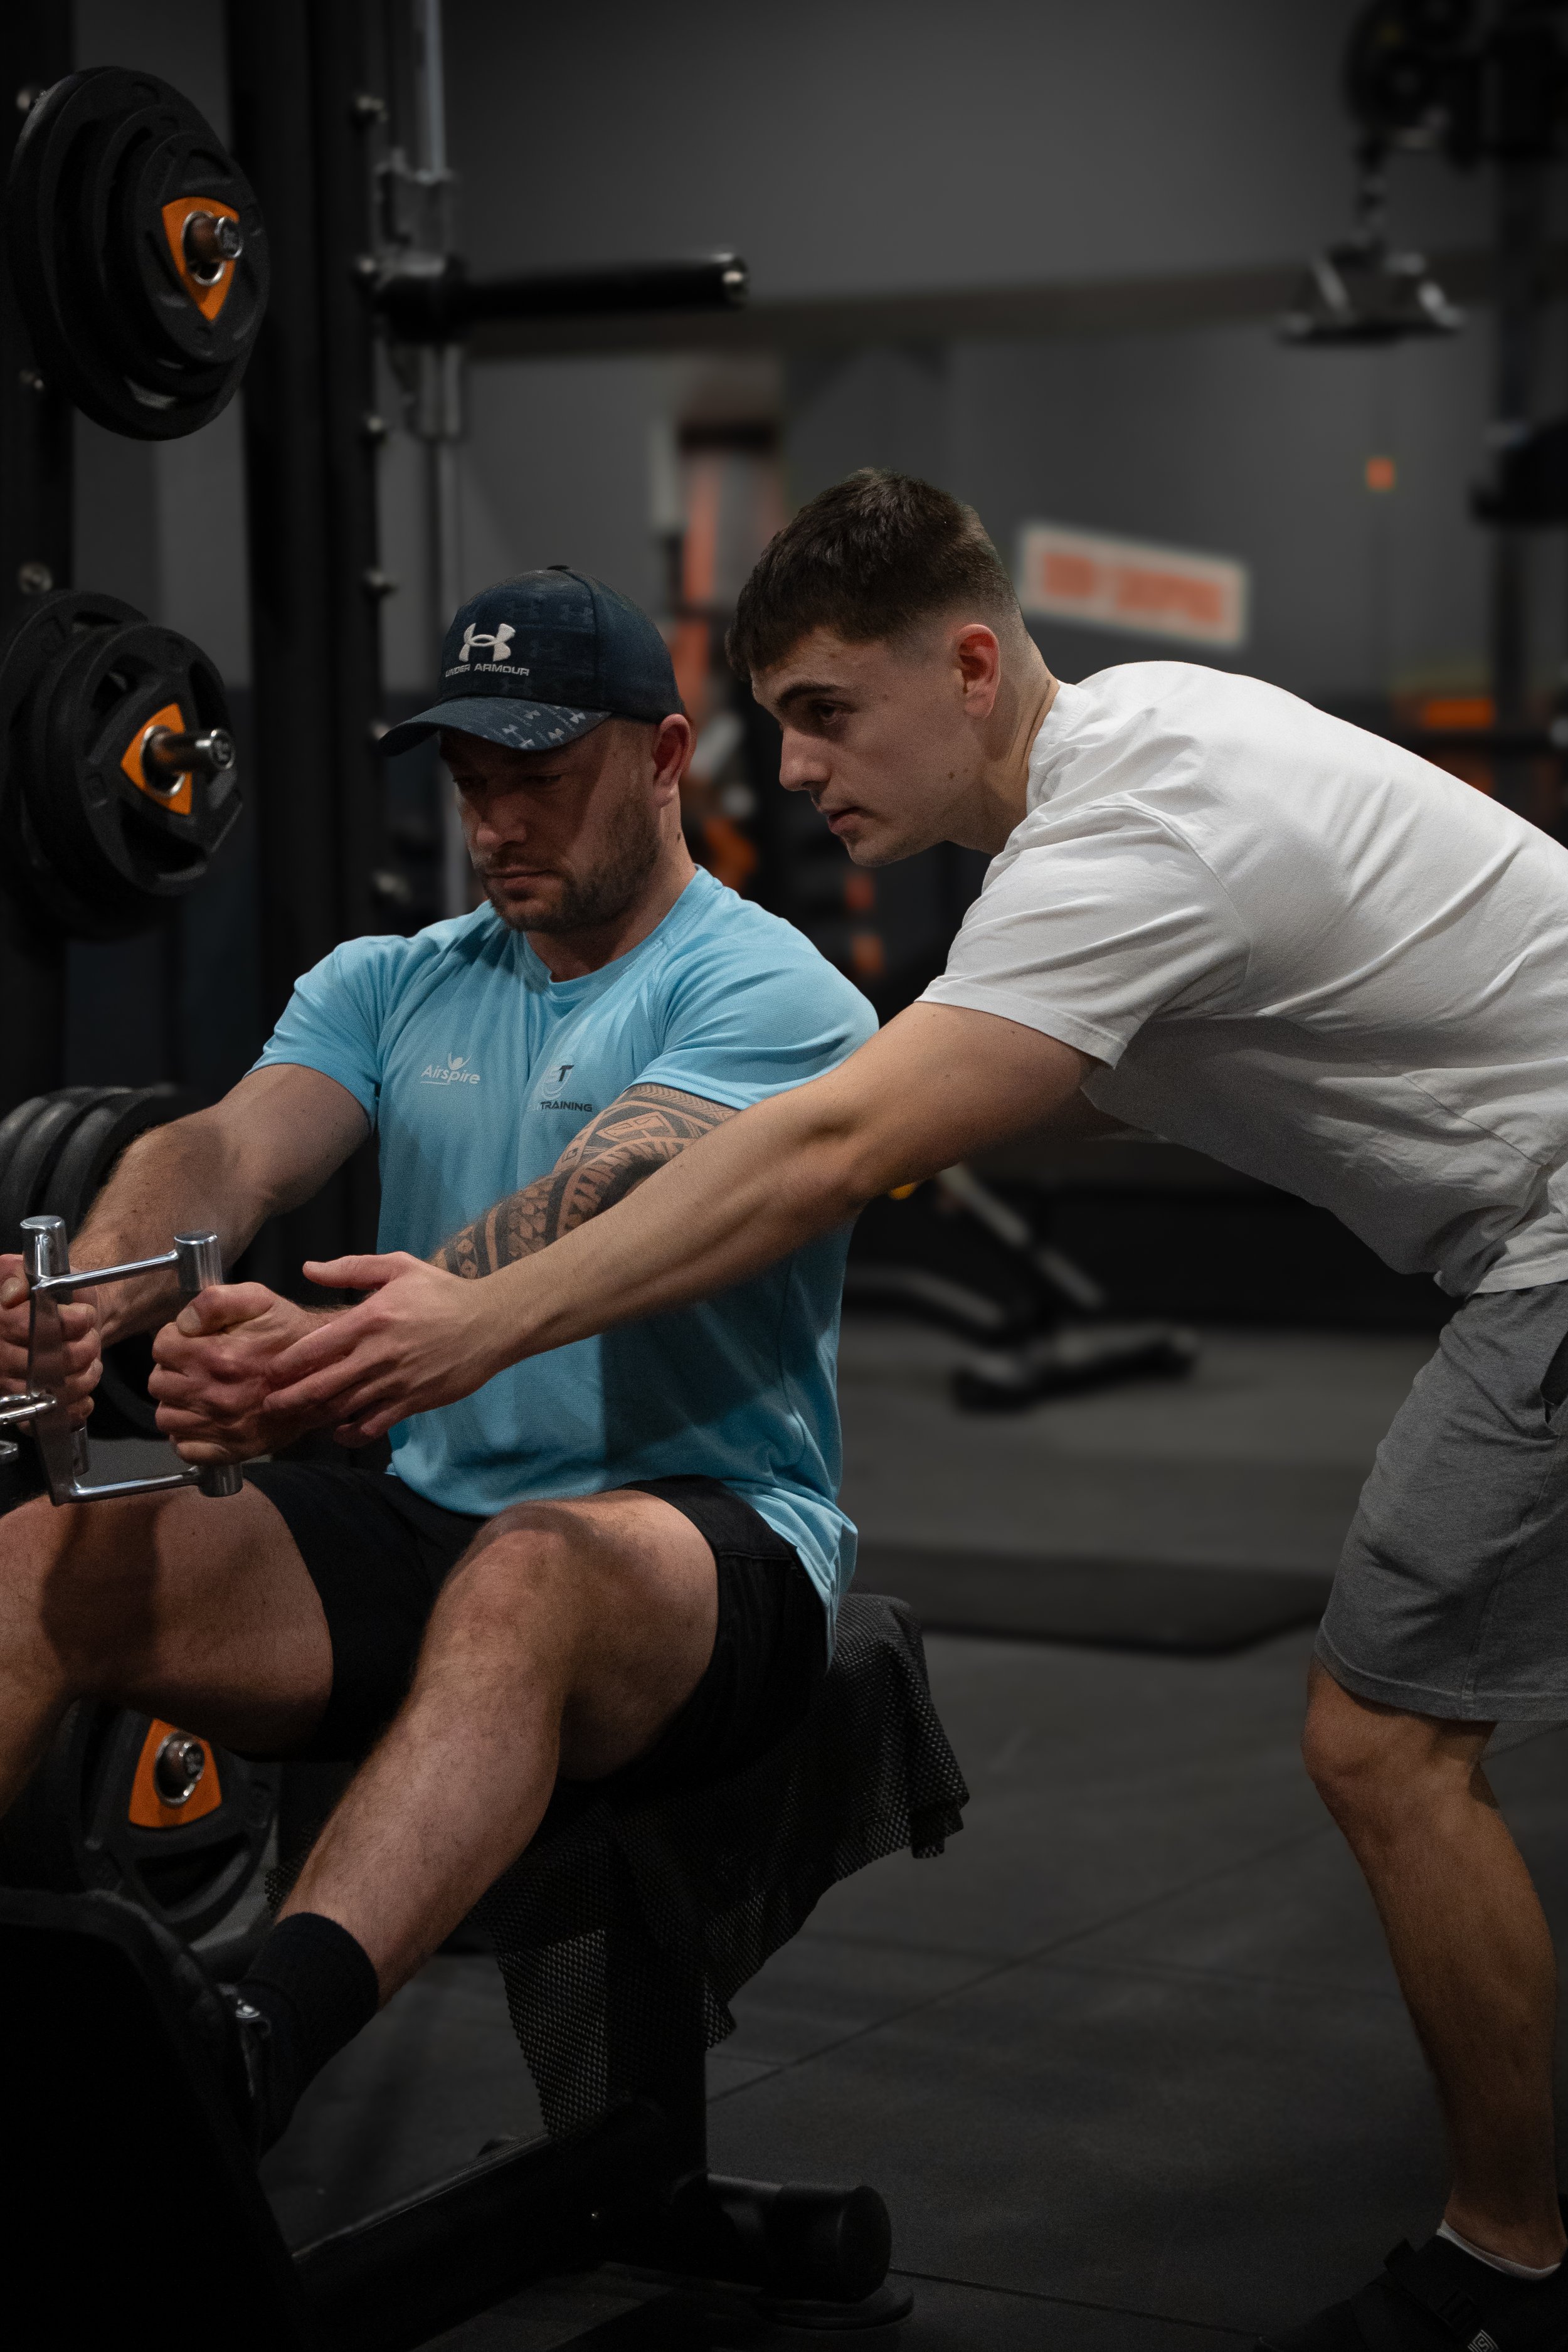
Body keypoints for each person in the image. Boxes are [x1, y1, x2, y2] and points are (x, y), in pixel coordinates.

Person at [232, 471, 1568, 2351]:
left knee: (1383, 1746)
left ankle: (1502, 2269)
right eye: (775, 718)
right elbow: (940, 1109)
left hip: (1556, 1243)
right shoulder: (1143, 771)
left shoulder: (1130, 835)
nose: (794, 768)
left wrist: (478, 1319)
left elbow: (844, 1140)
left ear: (966, 661)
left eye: (829, 712)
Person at [0, 566, 874, 2153]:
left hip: (708, 1541)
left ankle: (244, 2054)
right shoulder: (387, 981)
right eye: (473, 785)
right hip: (434, 1522)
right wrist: (102, 1300)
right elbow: (226, 1151)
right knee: (30, 1560)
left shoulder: (766, 992)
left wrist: (320, 1358)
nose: (496, 826)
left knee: (528, 1575)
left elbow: (593, 1203)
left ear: (666, 757)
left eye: (536, 780)